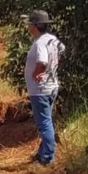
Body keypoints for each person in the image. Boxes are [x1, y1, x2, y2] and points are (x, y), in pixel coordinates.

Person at [24, 9, 65, 165]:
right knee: (46, 121)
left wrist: (36, 73)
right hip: (51, 86)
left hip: (40, 89)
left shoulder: (40, 42)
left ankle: (46, 158)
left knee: (44, 124)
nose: (28, 27)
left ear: (34, 25)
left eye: (29, 24)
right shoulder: (52, 39)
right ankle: (42, 153)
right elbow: (61, 51)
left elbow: (42, 61)